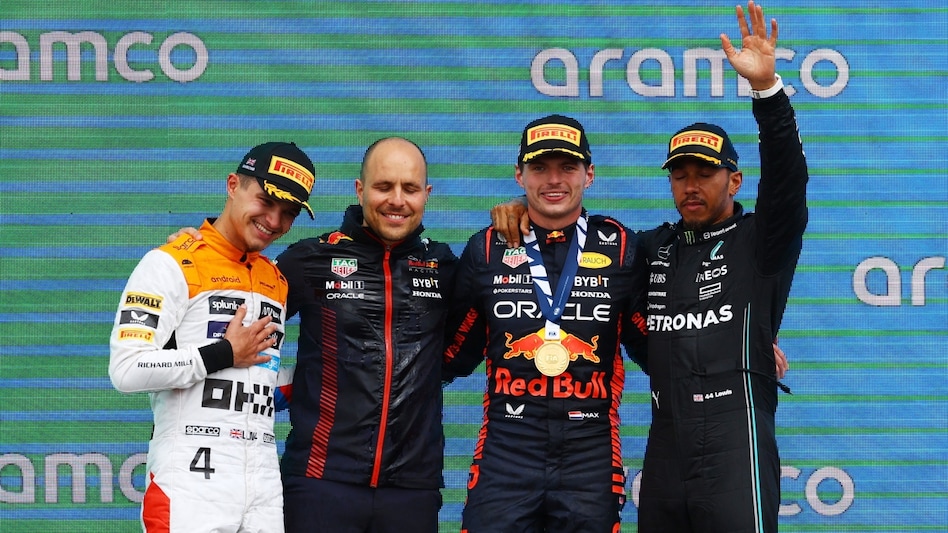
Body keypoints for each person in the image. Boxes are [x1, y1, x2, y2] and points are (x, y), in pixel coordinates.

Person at [634, 3, 808, 531]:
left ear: (733, 181)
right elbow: (578, 264)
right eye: (679, 174)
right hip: (666, 439)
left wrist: (768, 92)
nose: (691, 185)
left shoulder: (761, 239)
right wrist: (520, 218)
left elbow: (788, 180)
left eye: (706, 173)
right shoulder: (648, 248)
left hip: (737, 437)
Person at [441, 114, 650, 532]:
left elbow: (659, 348)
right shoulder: (486, 248)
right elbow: (448, 356)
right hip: (507, 451)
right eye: (539, 168)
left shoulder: (623, 247)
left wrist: (742, 345)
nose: (553, 180)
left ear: (589, 175)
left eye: (567, 167)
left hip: (589, 457)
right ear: (519, 175)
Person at [109, 141, 316, 532]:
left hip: (262, 485)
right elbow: (126, 369)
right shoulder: (169, 263)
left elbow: (259, 387)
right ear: (233, 185)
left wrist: (324, 377)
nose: (274, 221)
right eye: (265, 201)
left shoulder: (276, 280)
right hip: (188, 483)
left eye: (287, 214)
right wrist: (223, 352)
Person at [275, 137, 457, 533]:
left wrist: (518, 217)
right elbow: (239, 295)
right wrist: (212, 245)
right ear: (360, 190)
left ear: (426, 195)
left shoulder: (446, 267)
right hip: (319, 482)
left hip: (412, 490)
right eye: (383, 186)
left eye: (409, 189)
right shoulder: (310, 259)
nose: (396, 200)